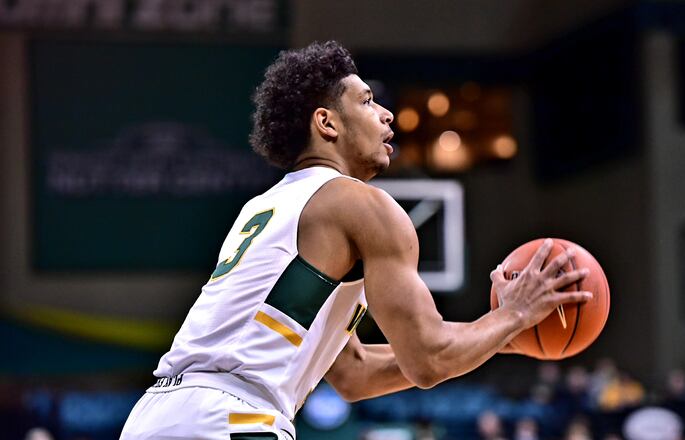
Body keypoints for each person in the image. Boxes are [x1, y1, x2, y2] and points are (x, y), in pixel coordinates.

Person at [119, 41, 591, 440]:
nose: (387, 115)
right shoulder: (361, 206)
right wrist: (515, 314)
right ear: (327, 123)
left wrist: (497, 338)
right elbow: (428, 359)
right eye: (366, 101)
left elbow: (353, 373)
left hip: (156, 417)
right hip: (230, 418)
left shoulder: (269, 207)